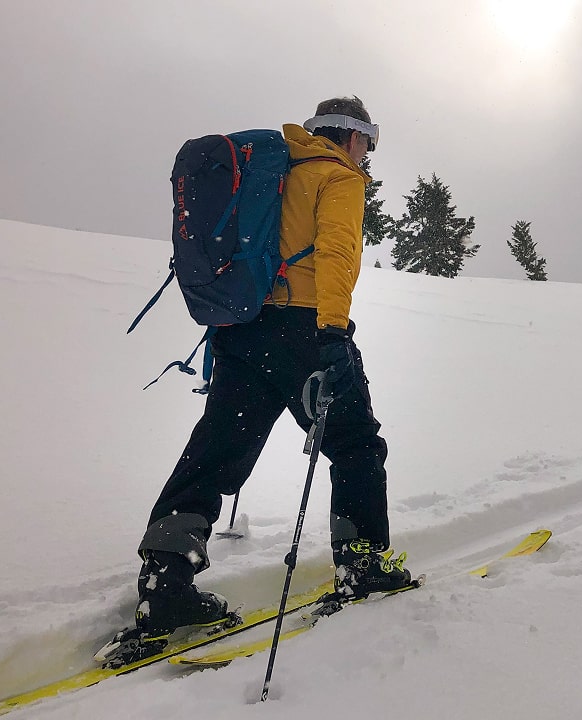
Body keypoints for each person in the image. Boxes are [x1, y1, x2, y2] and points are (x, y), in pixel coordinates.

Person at [124, 97, 414, 646]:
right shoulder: (339, 179)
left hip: (242, 331)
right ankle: (362, 564)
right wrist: (332, 332)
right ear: (351, 136)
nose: (369, 152)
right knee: (355, 444)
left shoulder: (276, 169)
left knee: (217, 451)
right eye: (369, 141)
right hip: (305, 332)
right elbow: (336, 253)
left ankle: (166, 585)